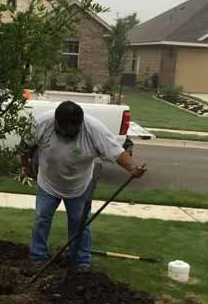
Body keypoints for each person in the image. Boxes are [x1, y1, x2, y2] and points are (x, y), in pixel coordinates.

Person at [20, 101, 147, 270]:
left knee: (80, 224)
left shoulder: (94, 129)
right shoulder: (43, 123)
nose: (66, 134)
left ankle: (80, 262)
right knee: (42, 218)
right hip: (48, 183)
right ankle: (38, 257)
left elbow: (116, 152)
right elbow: (25, 146)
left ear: (80, 124)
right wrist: (25, 167)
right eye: (63, 130)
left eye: (71, 131)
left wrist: (132, 167)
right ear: (56, 122)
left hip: (79, 186)